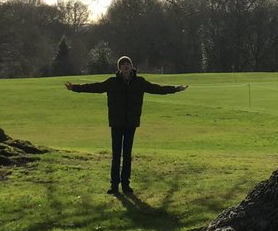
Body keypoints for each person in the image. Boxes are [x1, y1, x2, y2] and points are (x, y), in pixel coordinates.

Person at [65, 56, 188, 195]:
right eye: (122, 64)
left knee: (127, 155)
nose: (125, 66)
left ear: (131, 66)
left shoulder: (139, 82)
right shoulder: (112, 82)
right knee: (116, 155)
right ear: (119, 67)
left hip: (131, 123)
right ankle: (114, 186)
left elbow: (156, 89)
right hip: (116, 123)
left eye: (127, 63)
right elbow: (95, 87)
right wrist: (74, 87)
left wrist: (176, 89)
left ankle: (126, 185)